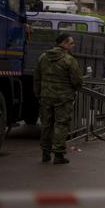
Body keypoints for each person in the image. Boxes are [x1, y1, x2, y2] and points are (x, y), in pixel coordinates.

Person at [35, 32, 84, 164]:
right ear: (63, 43)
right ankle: (58, 155)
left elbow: (37, 78)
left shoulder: (43, 57)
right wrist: (75, 88)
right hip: (63, 98)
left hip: (46, 96)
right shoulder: (69, 60)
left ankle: (45, 153)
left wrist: (39, 93)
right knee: (61, 125)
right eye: (71, 43)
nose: (73, 46)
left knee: (46, 124)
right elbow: (77, 80)